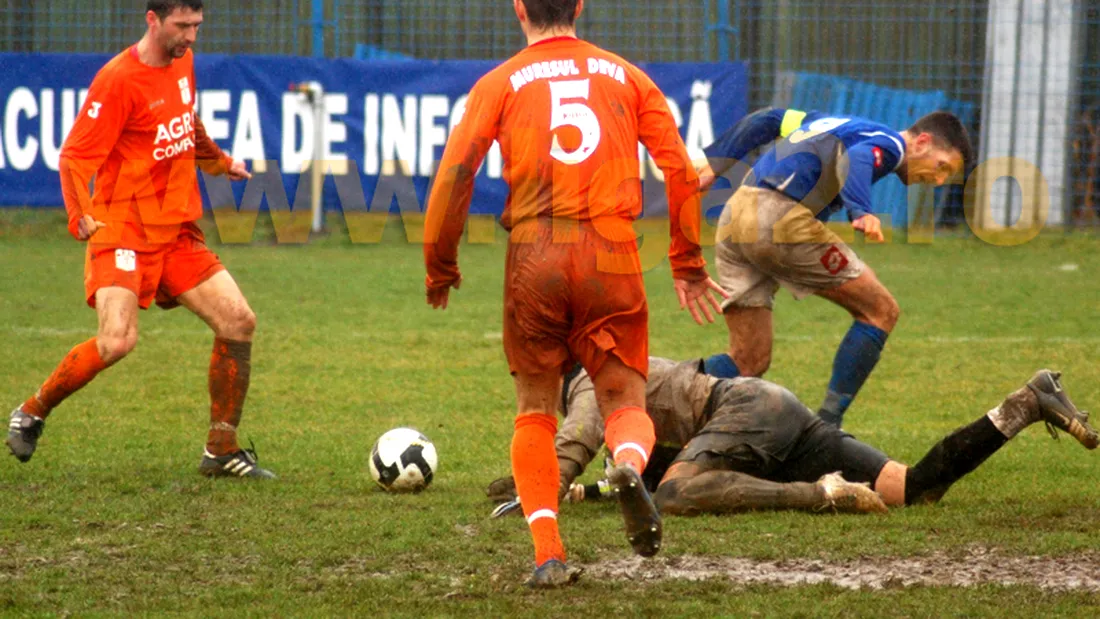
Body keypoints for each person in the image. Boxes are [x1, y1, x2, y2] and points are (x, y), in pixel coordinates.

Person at [423, 0, 726, 587]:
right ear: (580, 6)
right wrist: (686, 260)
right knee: (626, 404)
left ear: (519, 9)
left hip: (536, 251)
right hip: (610, 249)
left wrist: (440, 263)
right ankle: (631, 467)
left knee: (536, 410)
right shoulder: (627, 75)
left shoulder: (500, 81)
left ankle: (547, 554)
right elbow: (681, 172)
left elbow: (456, 173)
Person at [6, 0, 274, 479]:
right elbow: (74, 156)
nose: (191, 37)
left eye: (197, 25)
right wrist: (79, 215)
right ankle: (33, 409)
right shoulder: (117, 80)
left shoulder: (182, 61)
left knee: (239, 321)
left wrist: (218, 161)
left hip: (174, 230)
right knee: (117, 341)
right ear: (153, 19)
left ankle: (221, 450)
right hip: (123, 229)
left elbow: (185, 124)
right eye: (182, 26)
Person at [487, 358, 1097, 516]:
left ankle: (824, 495)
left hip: (745, 415)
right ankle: (1025, 402)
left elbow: (576, 437)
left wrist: (545, 488)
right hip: (767, 411)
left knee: (677, 495)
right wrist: (573, 491)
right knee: (913, 489)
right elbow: (632, 464)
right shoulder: (612, 365)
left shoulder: (593, 381)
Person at [701, 109, 973, 428]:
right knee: (880, 311)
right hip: (777, 217)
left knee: (748, 360)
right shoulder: (889, 143)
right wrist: (861, 210)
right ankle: (827, 428)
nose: (938, 180)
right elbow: (858, 158)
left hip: (735, 215)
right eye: (941, 167)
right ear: (922, 142)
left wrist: (716, 163)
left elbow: (769, 119)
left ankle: (663, 387)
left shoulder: (830, 122)